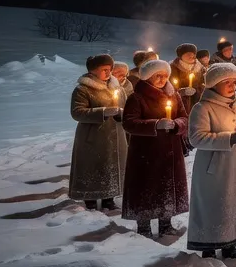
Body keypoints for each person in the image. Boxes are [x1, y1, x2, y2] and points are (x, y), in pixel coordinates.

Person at [187, 63, 236, 261]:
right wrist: (227, 139)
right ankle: (208, 247)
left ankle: (230, 245)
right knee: (213, 206)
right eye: (226, 82)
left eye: (234, 82)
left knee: (233, 205)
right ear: (214, 84)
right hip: (213, 169)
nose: (232, 86)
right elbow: (196, 138)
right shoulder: (203, 108)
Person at [121, 59, 189, 238]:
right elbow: (129, 123)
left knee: (167, 186)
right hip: (146, 152)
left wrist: (177, 124)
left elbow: (184, 117)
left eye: (165, 76)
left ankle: (166, 223)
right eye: (157, 75)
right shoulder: (137, 97)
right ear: (147, 77)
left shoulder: (174, 95)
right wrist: (156, 124)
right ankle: (143, 226)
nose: (162, 79)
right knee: (146, 187)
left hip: (170, 150)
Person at [70, 54, 127, 211]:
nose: (108, 73)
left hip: (115, 135)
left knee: (112, 165)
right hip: (93, 136)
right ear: (93, 71)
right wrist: (103, 112)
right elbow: (77, 112)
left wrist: (122, 114)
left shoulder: (117, 88)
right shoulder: (83, 89)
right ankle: (90, 197)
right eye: (104, 69)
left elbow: (126, 107)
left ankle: (110, 197)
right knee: (93, 166)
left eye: (110, 69)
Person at [171, 43, 205, 111]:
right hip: (180, 103)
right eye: (188, 54)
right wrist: (182, 91)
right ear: (181, 56)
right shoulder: (174, 68)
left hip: (198, 101)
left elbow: (204, 82)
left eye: (193, 54)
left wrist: (200, 90)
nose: (191, 56)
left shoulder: (200, 68)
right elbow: (171, 86)